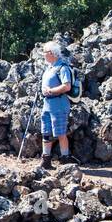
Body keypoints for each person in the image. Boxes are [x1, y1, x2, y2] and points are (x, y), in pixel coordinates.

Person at [39, 40, 75, 170]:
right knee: (46, 133)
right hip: (47, 105)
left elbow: (67, 86)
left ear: (51, 53)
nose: (43, 55)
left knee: (60, 133)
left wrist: (51, 91)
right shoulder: (50, 68)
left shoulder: (62, 67)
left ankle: (65, 158)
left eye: (44, 52)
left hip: (59, 105)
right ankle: (46, 160)